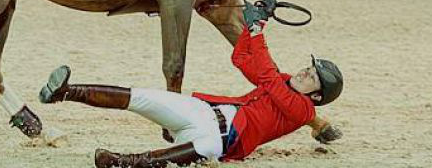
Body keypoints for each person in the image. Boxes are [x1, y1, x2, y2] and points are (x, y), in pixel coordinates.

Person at [38, 20, 344, 167]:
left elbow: (266, 73)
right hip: (204, 112)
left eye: (313, 77)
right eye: (309, 67)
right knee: (142, 96)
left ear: (316, 97)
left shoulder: (303, 110)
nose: (305, 72)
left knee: (207, 147)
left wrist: (259, 32)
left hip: (221, 140)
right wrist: (249, 28)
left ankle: (123, 162)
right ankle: (66, 92)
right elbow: (243, 61)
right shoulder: (284, 80)